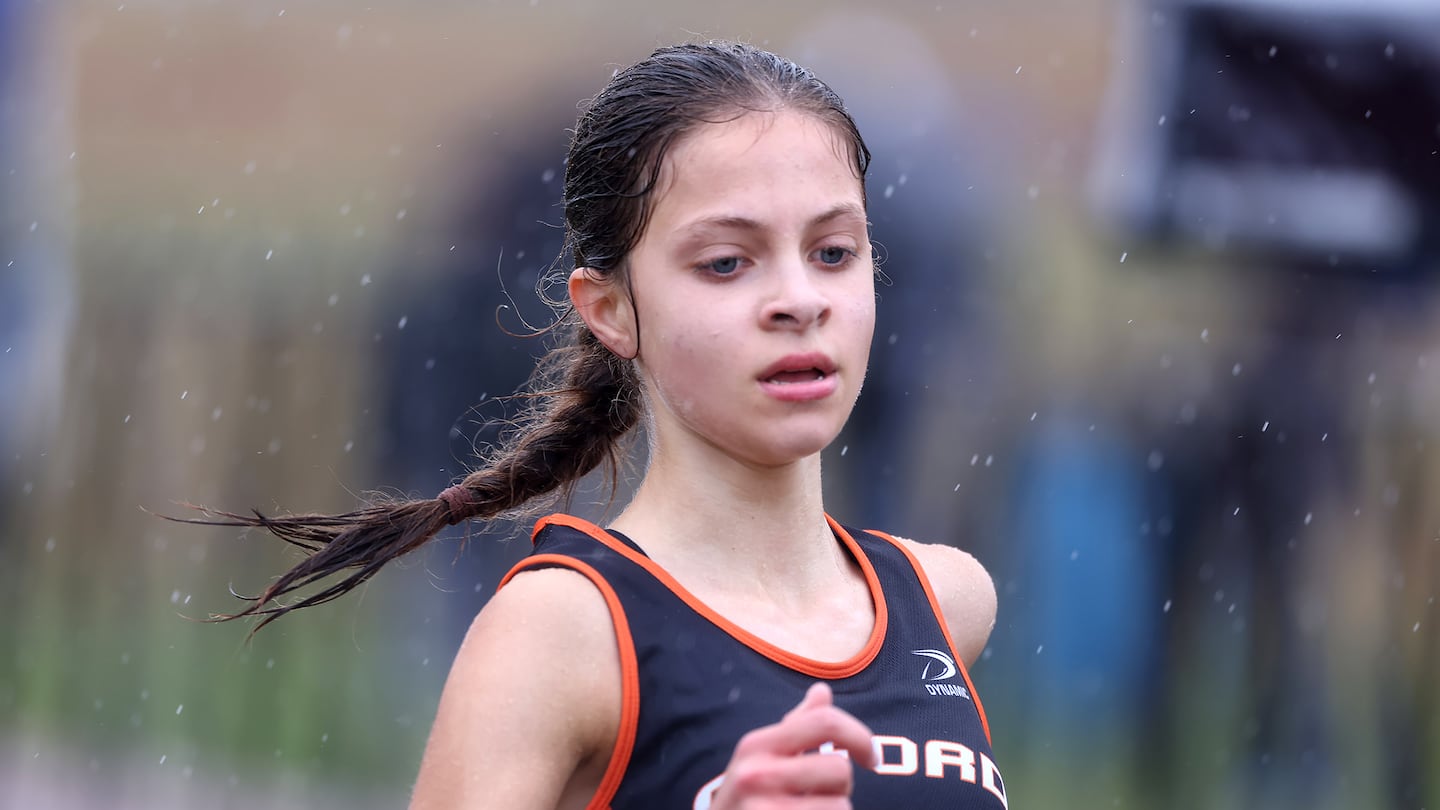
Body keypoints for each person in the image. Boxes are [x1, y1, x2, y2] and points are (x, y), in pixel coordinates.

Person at [181, 41, 1005, 809]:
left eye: (834, 252)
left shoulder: (946, 602)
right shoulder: (561, 632)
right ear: (611, 310)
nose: (800, 298)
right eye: (726, 261)